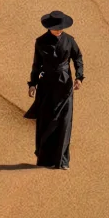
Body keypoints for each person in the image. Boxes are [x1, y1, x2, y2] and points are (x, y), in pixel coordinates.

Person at [25, 10, 84, 169]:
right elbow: (37, 64)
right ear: (49, 27)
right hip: (46, 87)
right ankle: (44, 160)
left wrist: (79, 77)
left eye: (61, 27)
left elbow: (77, 58)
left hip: (65, 86)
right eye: (56, 27)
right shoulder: (41, 42)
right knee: (46, 122)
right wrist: (32, 84)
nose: (60, 30)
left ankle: (62, 162)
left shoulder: (70, 41)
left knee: (64, 123)